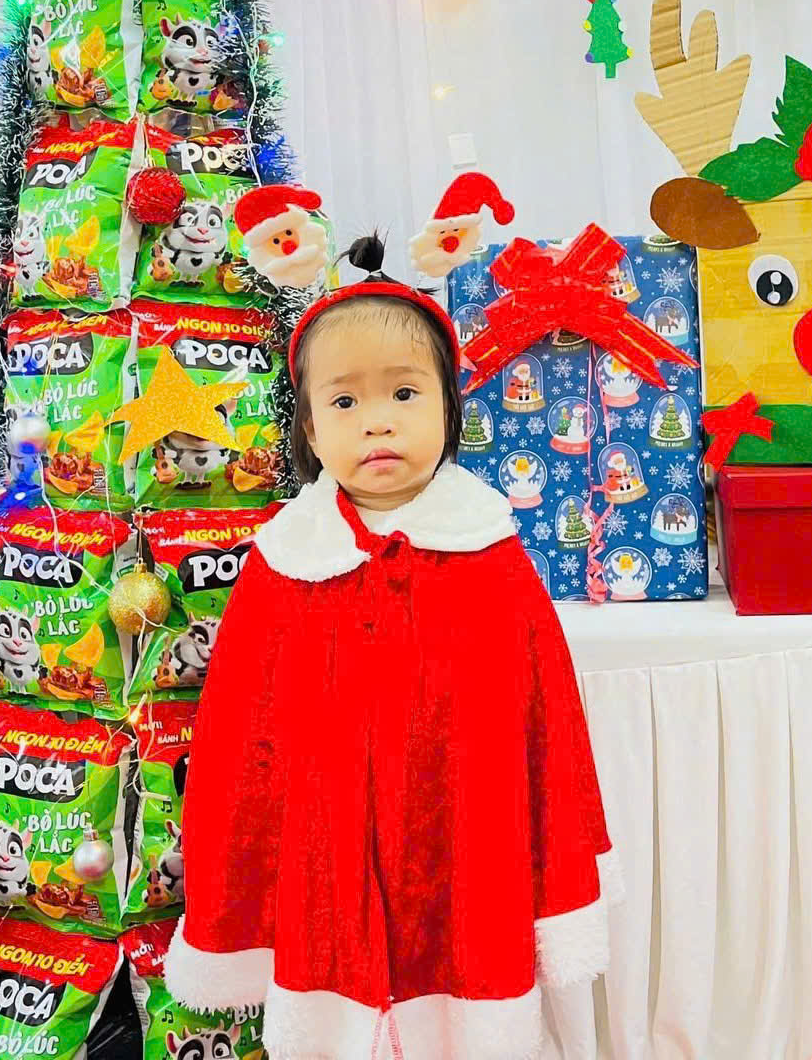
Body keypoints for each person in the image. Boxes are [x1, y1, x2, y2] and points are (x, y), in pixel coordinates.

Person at [165, 232, 617, 1060]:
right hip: (326, 854)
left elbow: (548, 727)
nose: (377, 421)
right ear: (309, 428)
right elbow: (238, 740)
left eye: (405, 393)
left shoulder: (489, 554)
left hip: (464, 842)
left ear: (448, 409)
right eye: (344, 403)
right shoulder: (285, 562)